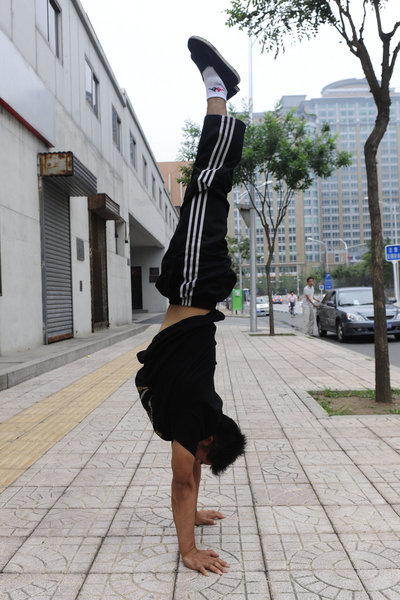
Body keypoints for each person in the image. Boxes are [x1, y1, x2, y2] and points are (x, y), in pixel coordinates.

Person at [135, 36, 247, 577]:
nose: (195, 465)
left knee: (210, 193)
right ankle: (219, 91)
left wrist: (196, 511)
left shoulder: (200, 415)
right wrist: (187, 551)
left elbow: (189, 476)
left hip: (195, 289)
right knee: (205, 188)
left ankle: (219, 95)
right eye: (203, 455)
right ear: (207, 439)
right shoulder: (192, 416)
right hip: (194, 283)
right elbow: (182, 479)